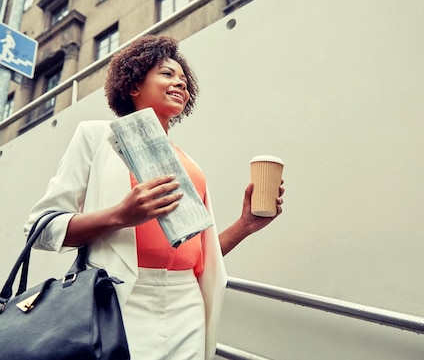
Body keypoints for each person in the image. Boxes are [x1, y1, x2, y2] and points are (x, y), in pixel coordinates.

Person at [25, 35, 284, 360]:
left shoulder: (189, 164)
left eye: (183, 78)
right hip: (121, 299)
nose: (181, 82)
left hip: (187, 301)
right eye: (167, 74)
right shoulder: (96, 137)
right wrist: (120, 215)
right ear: (134, 85)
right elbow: (40, 229)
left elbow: (199, 255)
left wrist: (245, 225)